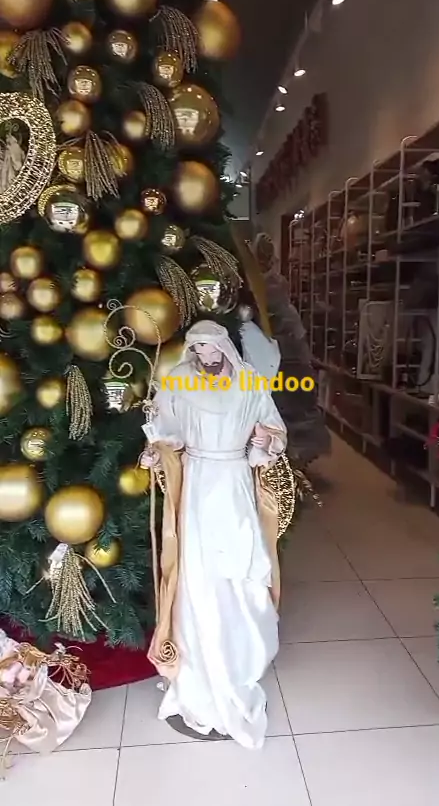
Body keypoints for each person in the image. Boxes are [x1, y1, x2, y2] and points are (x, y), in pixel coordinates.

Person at [141, 320, 287, 749]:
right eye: (198, 349)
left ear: (224, 346)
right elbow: (167, 431)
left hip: (235, 482)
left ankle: (239, 660)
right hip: (198, 484)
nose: (205, 356)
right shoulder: (178, 380)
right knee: (198, 576)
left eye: (211, 348)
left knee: (240, 568)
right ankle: (197, 669)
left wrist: (265, 440)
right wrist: (155, 451)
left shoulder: (249, 381)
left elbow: (273, 431)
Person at [252, 232, 331, 466]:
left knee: (288, 399)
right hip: (281, 346)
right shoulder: (271, 280)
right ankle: (290, 456)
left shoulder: (264, 282)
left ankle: (292, 458)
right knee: (288, 400)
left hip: (283, 347)